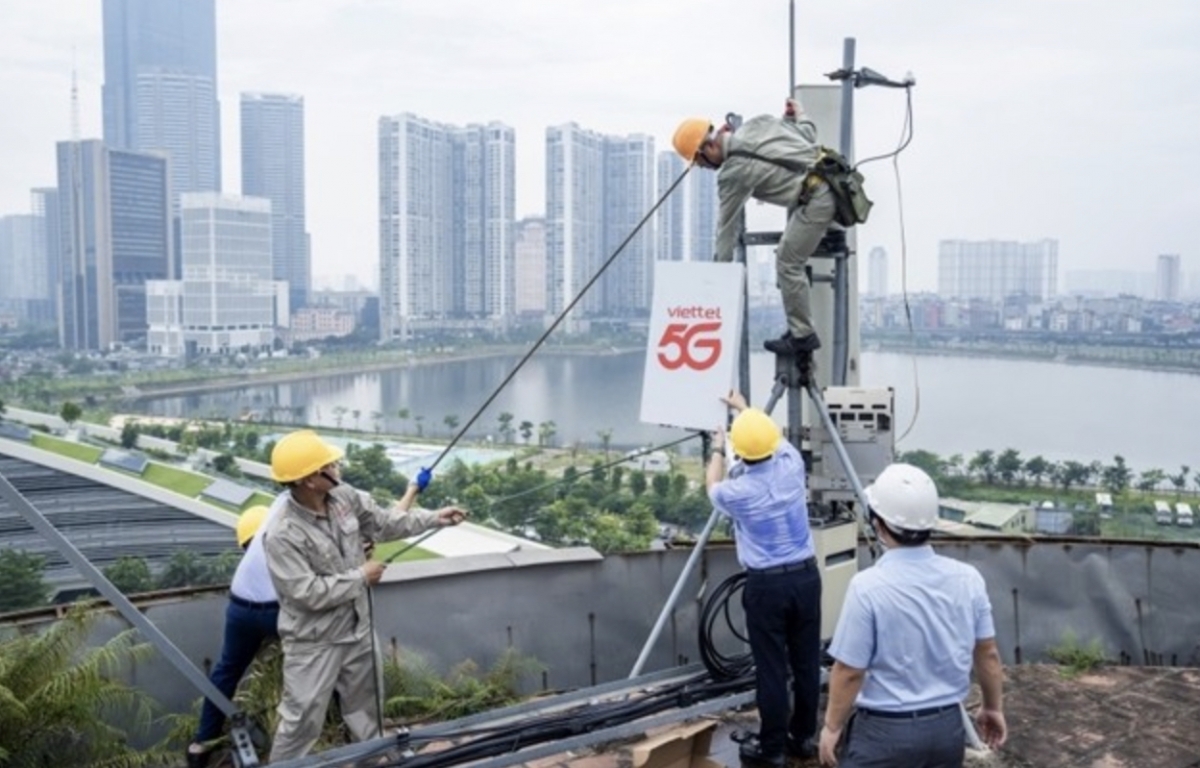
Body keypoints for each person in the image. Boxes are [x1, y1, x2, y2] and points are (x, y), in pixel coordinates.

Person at [263, 429, 466, 762]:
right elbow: (306, 593)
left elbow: (384, 523)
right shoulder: (282, 534)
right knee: (301, 723)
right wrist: (362, 575)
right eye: (330, 463)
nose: (338, 466)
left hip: (357, 629)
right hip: (314, 643)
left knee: (366, 713)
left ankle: (372, 760)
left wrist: (435, 519)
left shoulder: (345, 497)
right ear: (311, 479)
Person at [818, 463, 1007, 768]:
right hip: (946, 730)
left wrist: (831, 727)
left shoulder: (867, 587)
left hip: (883, 734)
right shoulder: (968, 578)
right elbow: (988, 653)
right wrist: (992, 707)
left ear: (877, 524)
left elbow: (850, 671)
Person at [706, 391, 822, 766]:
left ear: (742, 451)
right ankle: (803, 738)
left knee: (771, 669)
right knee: (806, 662)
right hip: (806, 578)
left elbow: (712, 486)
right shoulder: (791, 463)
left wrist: (718, 449)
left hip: (766, 587)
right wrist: (744, 408)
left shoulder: (737, 492)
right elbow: (772, 436)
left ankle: (771, 750)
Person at [673, 99, 835, 357]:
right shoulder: (758, 124)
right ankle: (799, 330)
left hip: (818, 200)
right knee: (789, 257)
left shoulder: (732, 174)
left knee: (788, 261)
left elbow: (725, 232)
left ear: (710, 146)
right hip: (831, 179)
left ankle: (803, 336)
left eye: (701, 162)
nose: (705, 168)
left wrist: (717, 283)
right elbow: (808, 135)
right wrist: (799, 115)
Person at [186, 503, 278, 768]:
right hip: (278, 612)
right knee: (324, 654)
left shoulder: (248, 565)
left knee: (227, 670)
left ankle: (202, 743)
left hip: (241, 612)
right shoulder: (280, 544)